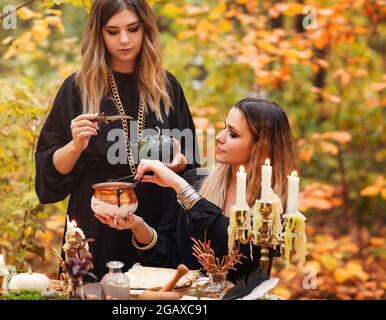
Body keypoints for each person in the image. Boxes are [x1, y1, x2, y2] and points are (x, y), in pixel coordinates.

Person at [35, 0, 199, 279]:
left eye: (133, 29)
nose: (124, 40)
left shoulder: (167, 87)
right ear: (98, 34)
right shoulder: (77, 88)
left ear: (145, 29)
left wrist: (179, 166)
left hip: (156, 226)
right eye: (113, 31)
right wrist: (75, 146)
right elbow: (47, 183)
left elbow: (194, 174)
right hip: (95, 228)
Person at [97, 98, 296, 283]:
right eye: (223, 128)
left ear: (260, 147)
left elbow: (231, 246)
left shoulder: (271, 206)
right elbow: (168, 258)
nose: (219, 137)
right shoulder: (197, 181)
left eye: (233, 134)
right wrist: (138, 226)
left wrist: (178, 184)